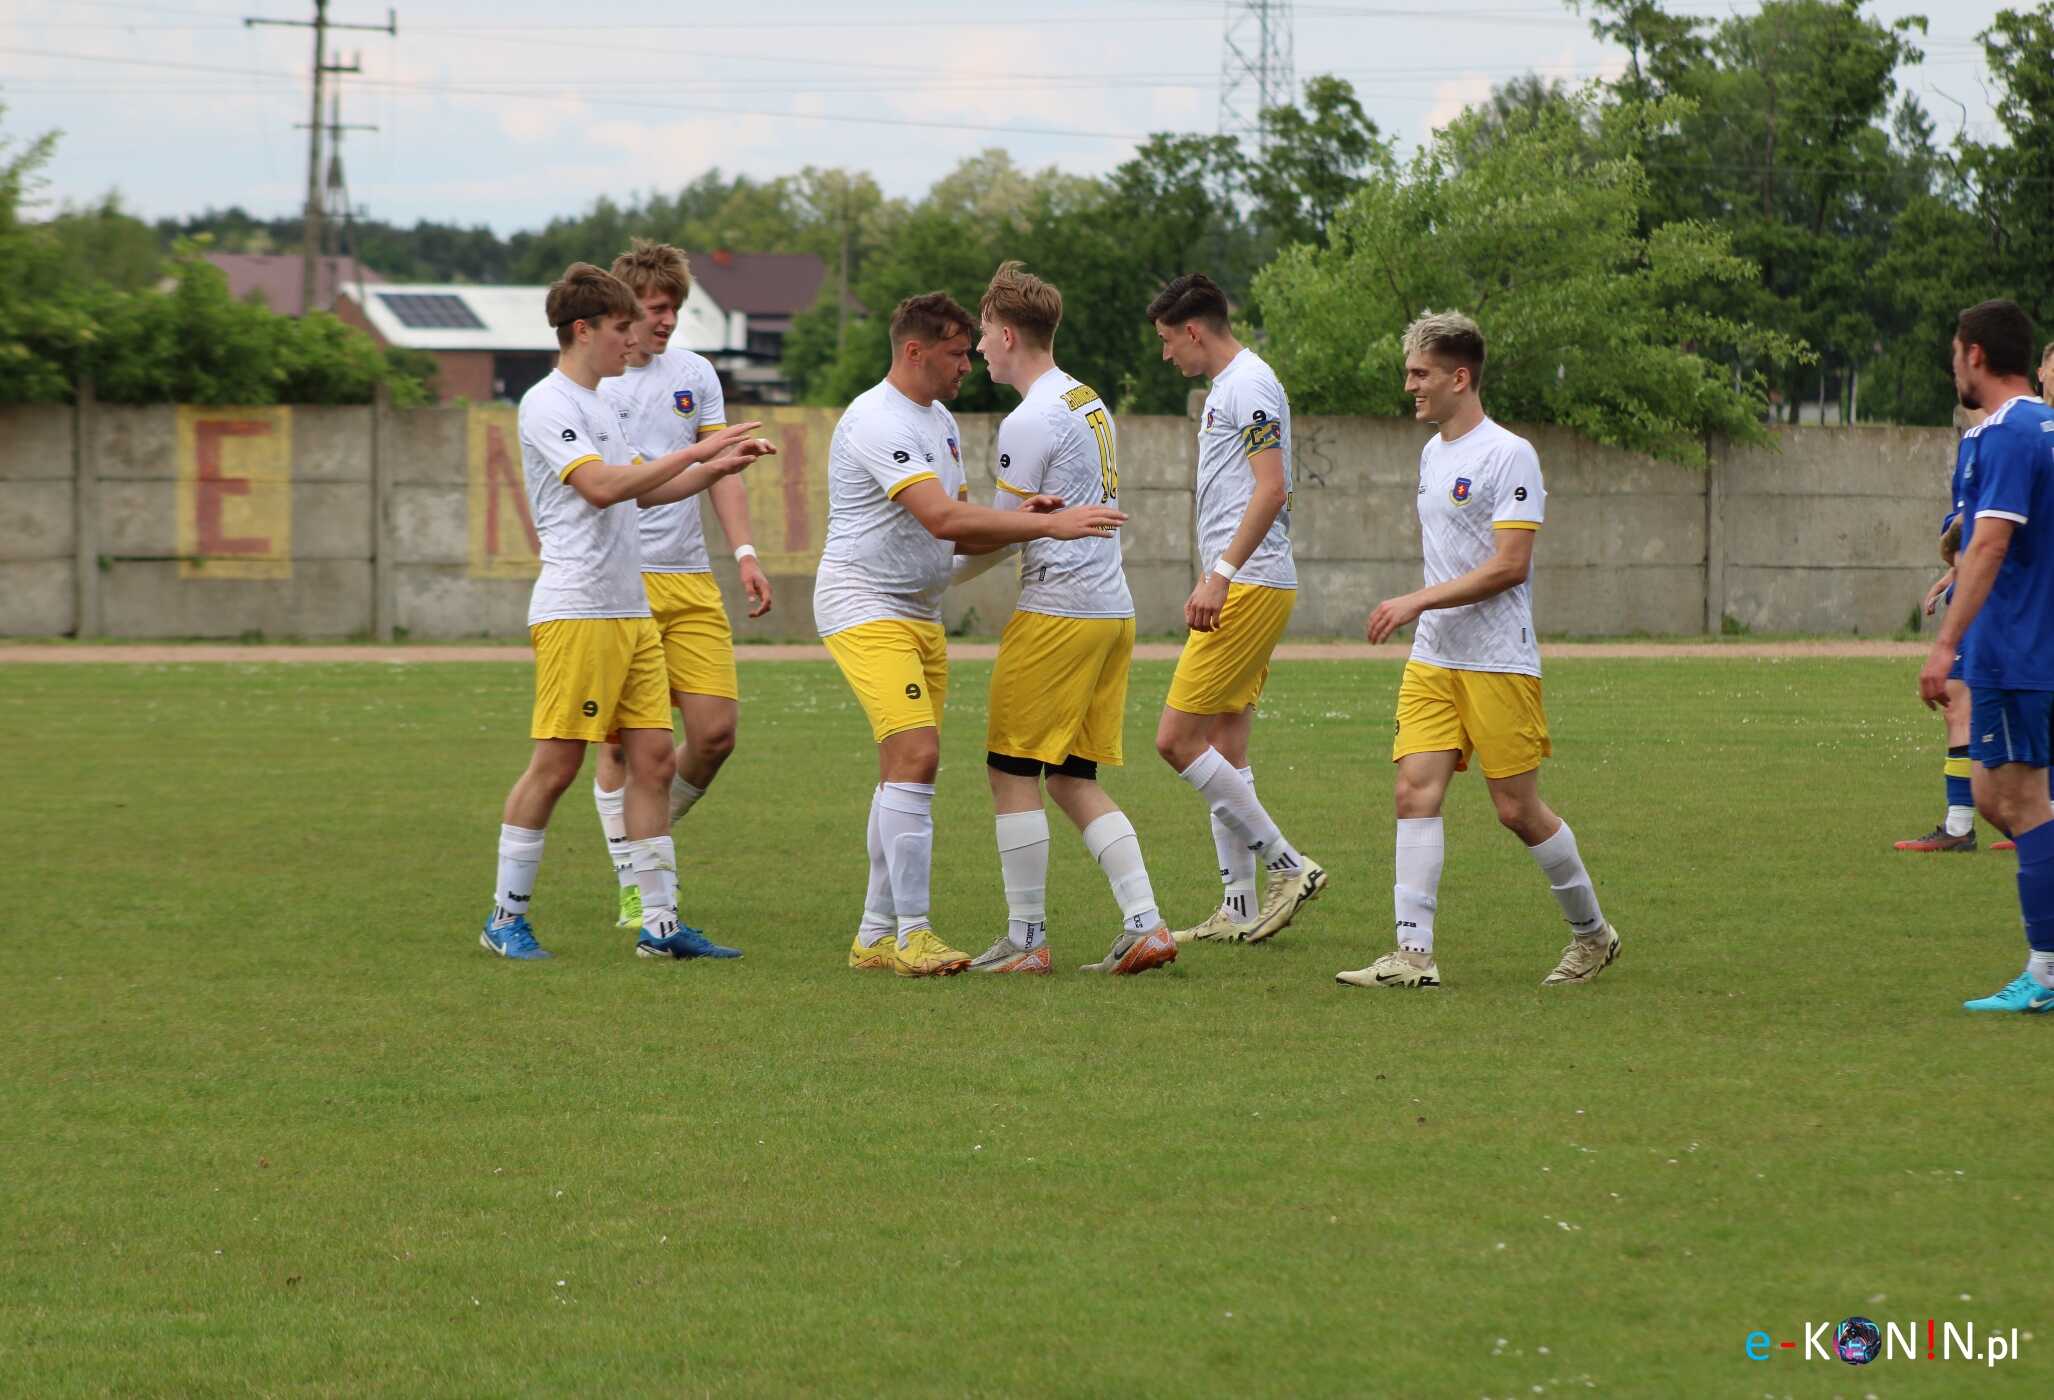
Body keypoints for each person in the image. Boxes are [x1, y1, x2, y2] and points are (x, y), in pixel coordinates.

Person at [816, 292, 1126, 978]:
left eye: (970, 348)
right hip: (865, 604)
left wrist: (1024, 517)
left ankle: (873, 936)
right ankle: (914, 935)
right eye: (956, 353)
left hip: (918, 614)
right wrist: (1045, 524)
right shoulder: (875, 419)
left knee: (901, 768)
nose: (968, 363)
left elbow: (962, 529)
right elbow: (942, 519)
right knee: (918, 755)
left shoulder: (941, 419)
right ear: (915, 351)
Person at [481, 263, 772, 961]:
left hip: (630, 609)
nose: (633, 340)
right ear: (583, 331)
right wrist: (698, 450)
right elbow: (603, 487)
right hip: (578, 610)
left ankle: (660, 925)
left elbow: (646, 488)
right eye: (621, 328)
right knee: (556, 766)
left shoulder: (602, 405)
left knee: (653, 763)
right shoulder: (548, 403)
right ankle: (504, 918)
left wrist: (718, 467)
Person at [1337, 311, 1621, 990]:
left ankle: (1593, 935)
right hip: (1435, 657)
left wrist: (1417, 600)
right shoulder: (1432, 454)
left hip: (1497, 658)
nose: (1410, 386)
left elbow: (1510, 565)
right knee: (1414, 791)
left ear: (1459, 378)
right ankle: (1413, 955)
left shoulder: (1509, 453)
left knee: (1516, 810)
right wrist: (1425, 613)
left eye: (1420, 374)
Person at [960, 261, 1176, 977]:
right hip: (1111, 610)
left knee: (1010, 769)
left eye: (984, 332)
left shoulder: (1029, 418)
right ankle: (1145, 924)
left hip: (1058, 612)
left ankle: (1026, 940)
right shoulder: (1087, 398)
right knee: (1071, 775)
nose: (978, 346)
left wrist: (925, 574)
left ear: (1008, 334)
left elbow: (1000, 532)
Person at [589, 241, 774, 947]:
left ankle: (647, 835)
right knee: (626, 745)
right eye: (656, 308)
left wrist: (746, 553)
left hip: (690, 577)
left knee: (716, 733)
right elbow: (638, 483)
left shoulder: (695, 374)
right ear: (625, 308)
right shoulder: (596, 387)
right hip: (623, 580)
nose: (667, 321)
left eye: (675, 308)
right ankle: (638, 884)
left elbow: (723, 469)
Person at [1144, 273, 1326, 946]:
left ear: (1194, 331)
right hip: (1245, 581)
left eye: (1168, 340)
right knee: (1224, 746)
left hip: (1248, 585)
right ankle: (1240, 906)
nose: (1166, 354)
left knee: (1175, 741)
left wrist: (1220, 575)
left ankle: (1289, 866)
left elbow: (1271, 489)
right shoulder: (1231, 387)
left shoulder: (1248, 385)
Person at [1917, 299, 2054, 1013]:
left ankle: (2046, 974)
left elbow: (1991, 544)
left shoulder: (2006, 433)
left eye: (1954, 354)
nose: (1953, 368)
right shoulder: (2040, 427)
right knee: (1998, 796)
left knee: (2020, 803)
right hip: (2023, 644)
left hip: (2019, 650)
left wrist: (1945, 646)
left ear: (1975, 355)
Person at [1898, 403, 1990, 853]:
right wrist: (1951, 574)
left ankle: (1965, 825)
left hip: (1998, 597)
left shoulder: (2006, 438)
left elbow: (1982, 533)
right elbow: (1974, 532)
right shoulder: (1976, 444)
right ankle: (1964, 824)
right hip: (1982, 588)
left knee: (1990, 703)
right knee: (1963, 702)